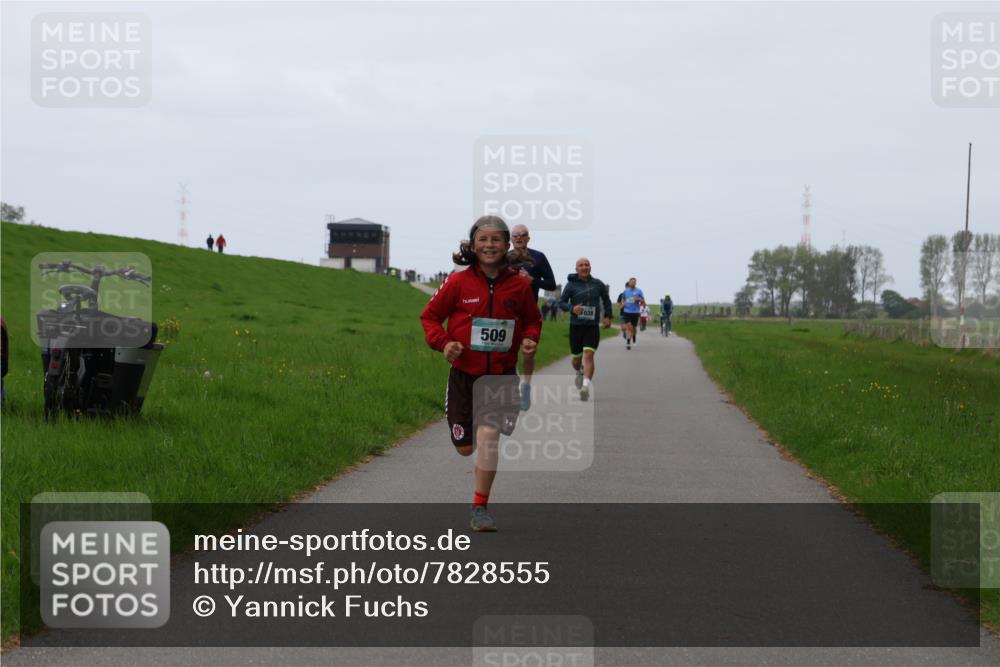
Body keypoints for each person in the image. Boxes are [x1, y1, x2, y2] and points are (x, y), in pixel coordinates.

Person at [420, 216, 542, 532]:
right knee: (465, 448)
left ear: (507, 245)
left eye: (496, 240)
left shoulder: (519, 284)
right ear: (473, 245)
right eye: (483, 240)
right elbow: (430, 318)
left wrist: (530, 338)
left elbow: (533, 320)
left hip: (500, 376)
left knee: (489, 437)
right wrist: (444, 343)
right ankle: (469, 436)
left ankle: (480, 507)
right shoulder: (458, 282)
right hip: (463, 375)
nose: (490, 245)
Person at [507, 224, 556, 411]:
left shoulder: (539, 257)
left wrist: (532, 280)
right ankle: (516, 381)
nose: (519, 238)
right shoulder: (505, 258)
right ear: (511, 239)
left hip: (529, 313)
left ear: (529, 238)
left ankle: (526, 385)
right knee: (508, 352)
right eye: (515, 236)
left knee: (529, 351)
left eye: (523, 235)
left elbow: (551, 284)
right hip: (508, 313)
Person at [558, 258, 612, 401]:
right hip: (576, 326)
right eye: (581, 265)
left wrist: (607, 316)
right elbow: (561, 302)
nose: (584, 267)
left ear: (590, 267)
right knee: (576, 359)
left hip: (592, 326)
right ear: (576, 269)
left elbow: (606, 300)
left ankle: (585, 387)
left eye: (586, 265)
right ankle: (579, 371)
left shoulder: (598, 284)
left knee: (589, 356)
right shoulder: (571, 285)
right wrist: (571, 308)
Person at [619, 277, 645, 350]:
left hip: (635, 312)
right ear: (629, 283)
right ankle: (628, 342)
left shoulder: (639, 291)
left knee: (633, 327)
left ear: (636, 283)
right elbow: (623, 299)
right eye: (631, 282)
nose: (633, 283)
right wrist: (623, 304)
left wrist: (639, 299)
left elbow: (643, 302)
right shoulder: (626, 291)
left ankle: (634, 338)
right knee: (628, 327)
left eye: (634, 282)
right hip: (627, 311)